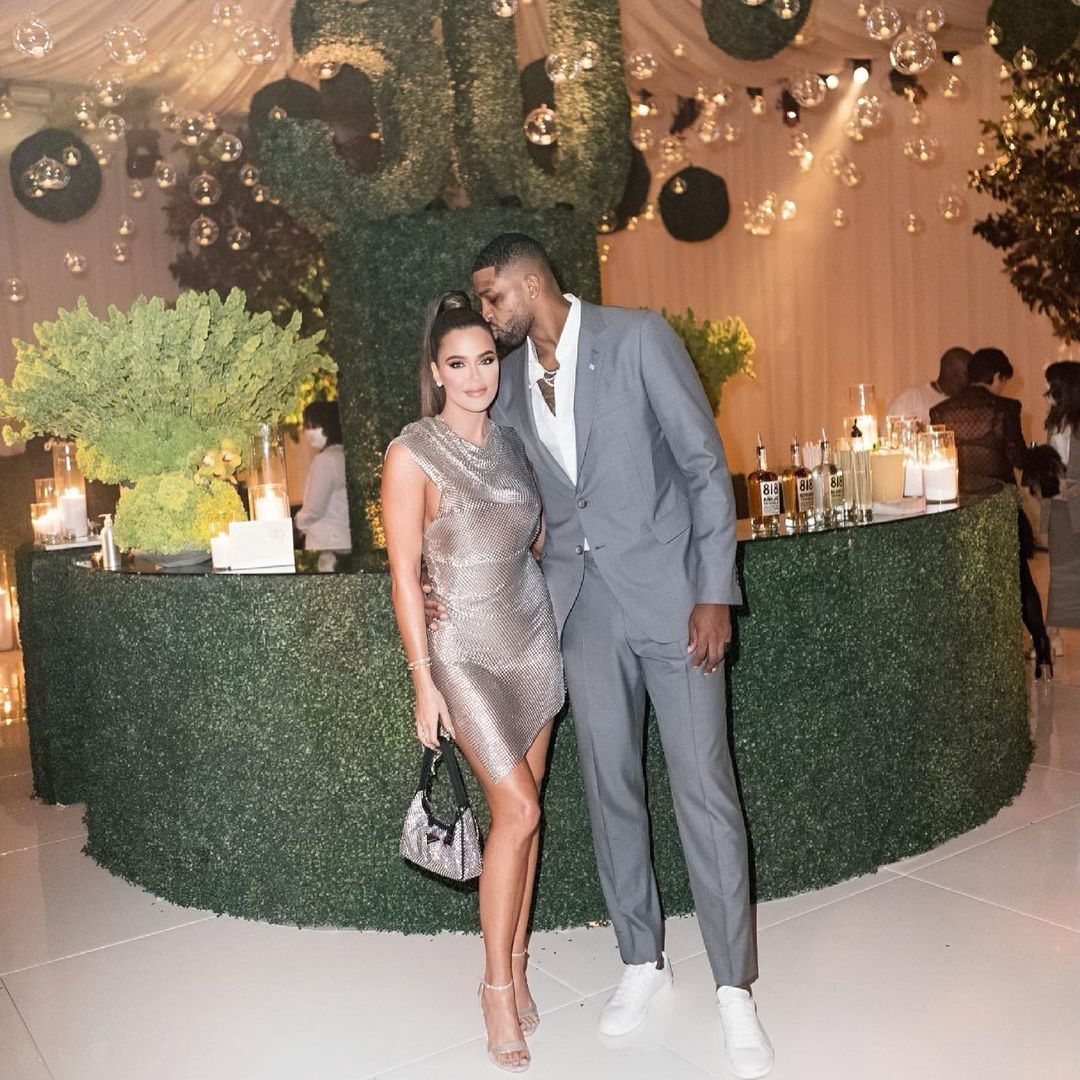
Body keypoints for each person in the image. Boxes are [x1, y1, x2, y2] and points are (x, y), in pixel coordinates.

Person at [429, 233, 772, 1079]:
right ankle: (641, 962)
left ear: (532, 281)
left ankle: (735, 990)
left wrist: (713, 592)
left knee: (703, 787)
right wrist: (445, 580)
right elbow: (499, 499)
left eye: (494, 299)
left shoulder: (638, 337)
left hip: (671, 600)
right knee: (611, 789)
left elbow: (701, 465)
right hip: (577, 616)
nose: (488, 315)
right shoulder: (508, 391)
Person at [382, 292, 565, 1073]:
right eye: (458, 363)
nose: (475, 376)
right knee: (516, 811)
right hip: (462, 654)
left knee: (527, 819)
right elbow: (399, 572)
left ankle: (519, 962)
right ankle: (494, 989)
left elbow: (535, 538)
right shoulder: (412, 452)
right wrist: (423, 679)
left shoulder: (515, 445)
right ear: (435, 371)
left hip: (531, 639)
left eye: (486, 360)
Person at [931, 348, 1052, 677]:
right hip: (998, 505)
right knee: (1019, 578)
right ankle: (1042, 652)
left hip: (961, 510)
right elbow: (1016, 455)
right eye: (1004, 381)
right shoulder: (1005, 408)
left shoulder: (940, 410)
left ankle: (978, 660)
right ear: (996, 377)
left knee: (970, 583)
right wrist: (1042, 457)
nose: (1003, 388)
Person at [1042, 362, 1080, 642]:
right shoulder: (1055, 421)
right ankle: (1050, 632)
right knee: (1059, 570)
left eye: (1050, 385)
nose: (1045, 391)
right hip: (1058, 505)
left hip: (1073, 499)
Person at [295, 401, 352, 553]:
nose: (308, 432)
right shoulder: (342, 455)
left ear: (328, 426)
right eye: (307, 427)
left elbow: (314, 510)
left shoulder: (326, 460)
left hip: (327, 544)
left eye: (313, 426)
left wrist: (296, 523)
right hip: (343, 540)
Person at [886, 345, 972, 423]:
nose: (970, 379)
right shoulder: (911, 400)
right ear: (948, 369)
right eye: (965, 373)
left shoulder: (969, 405)